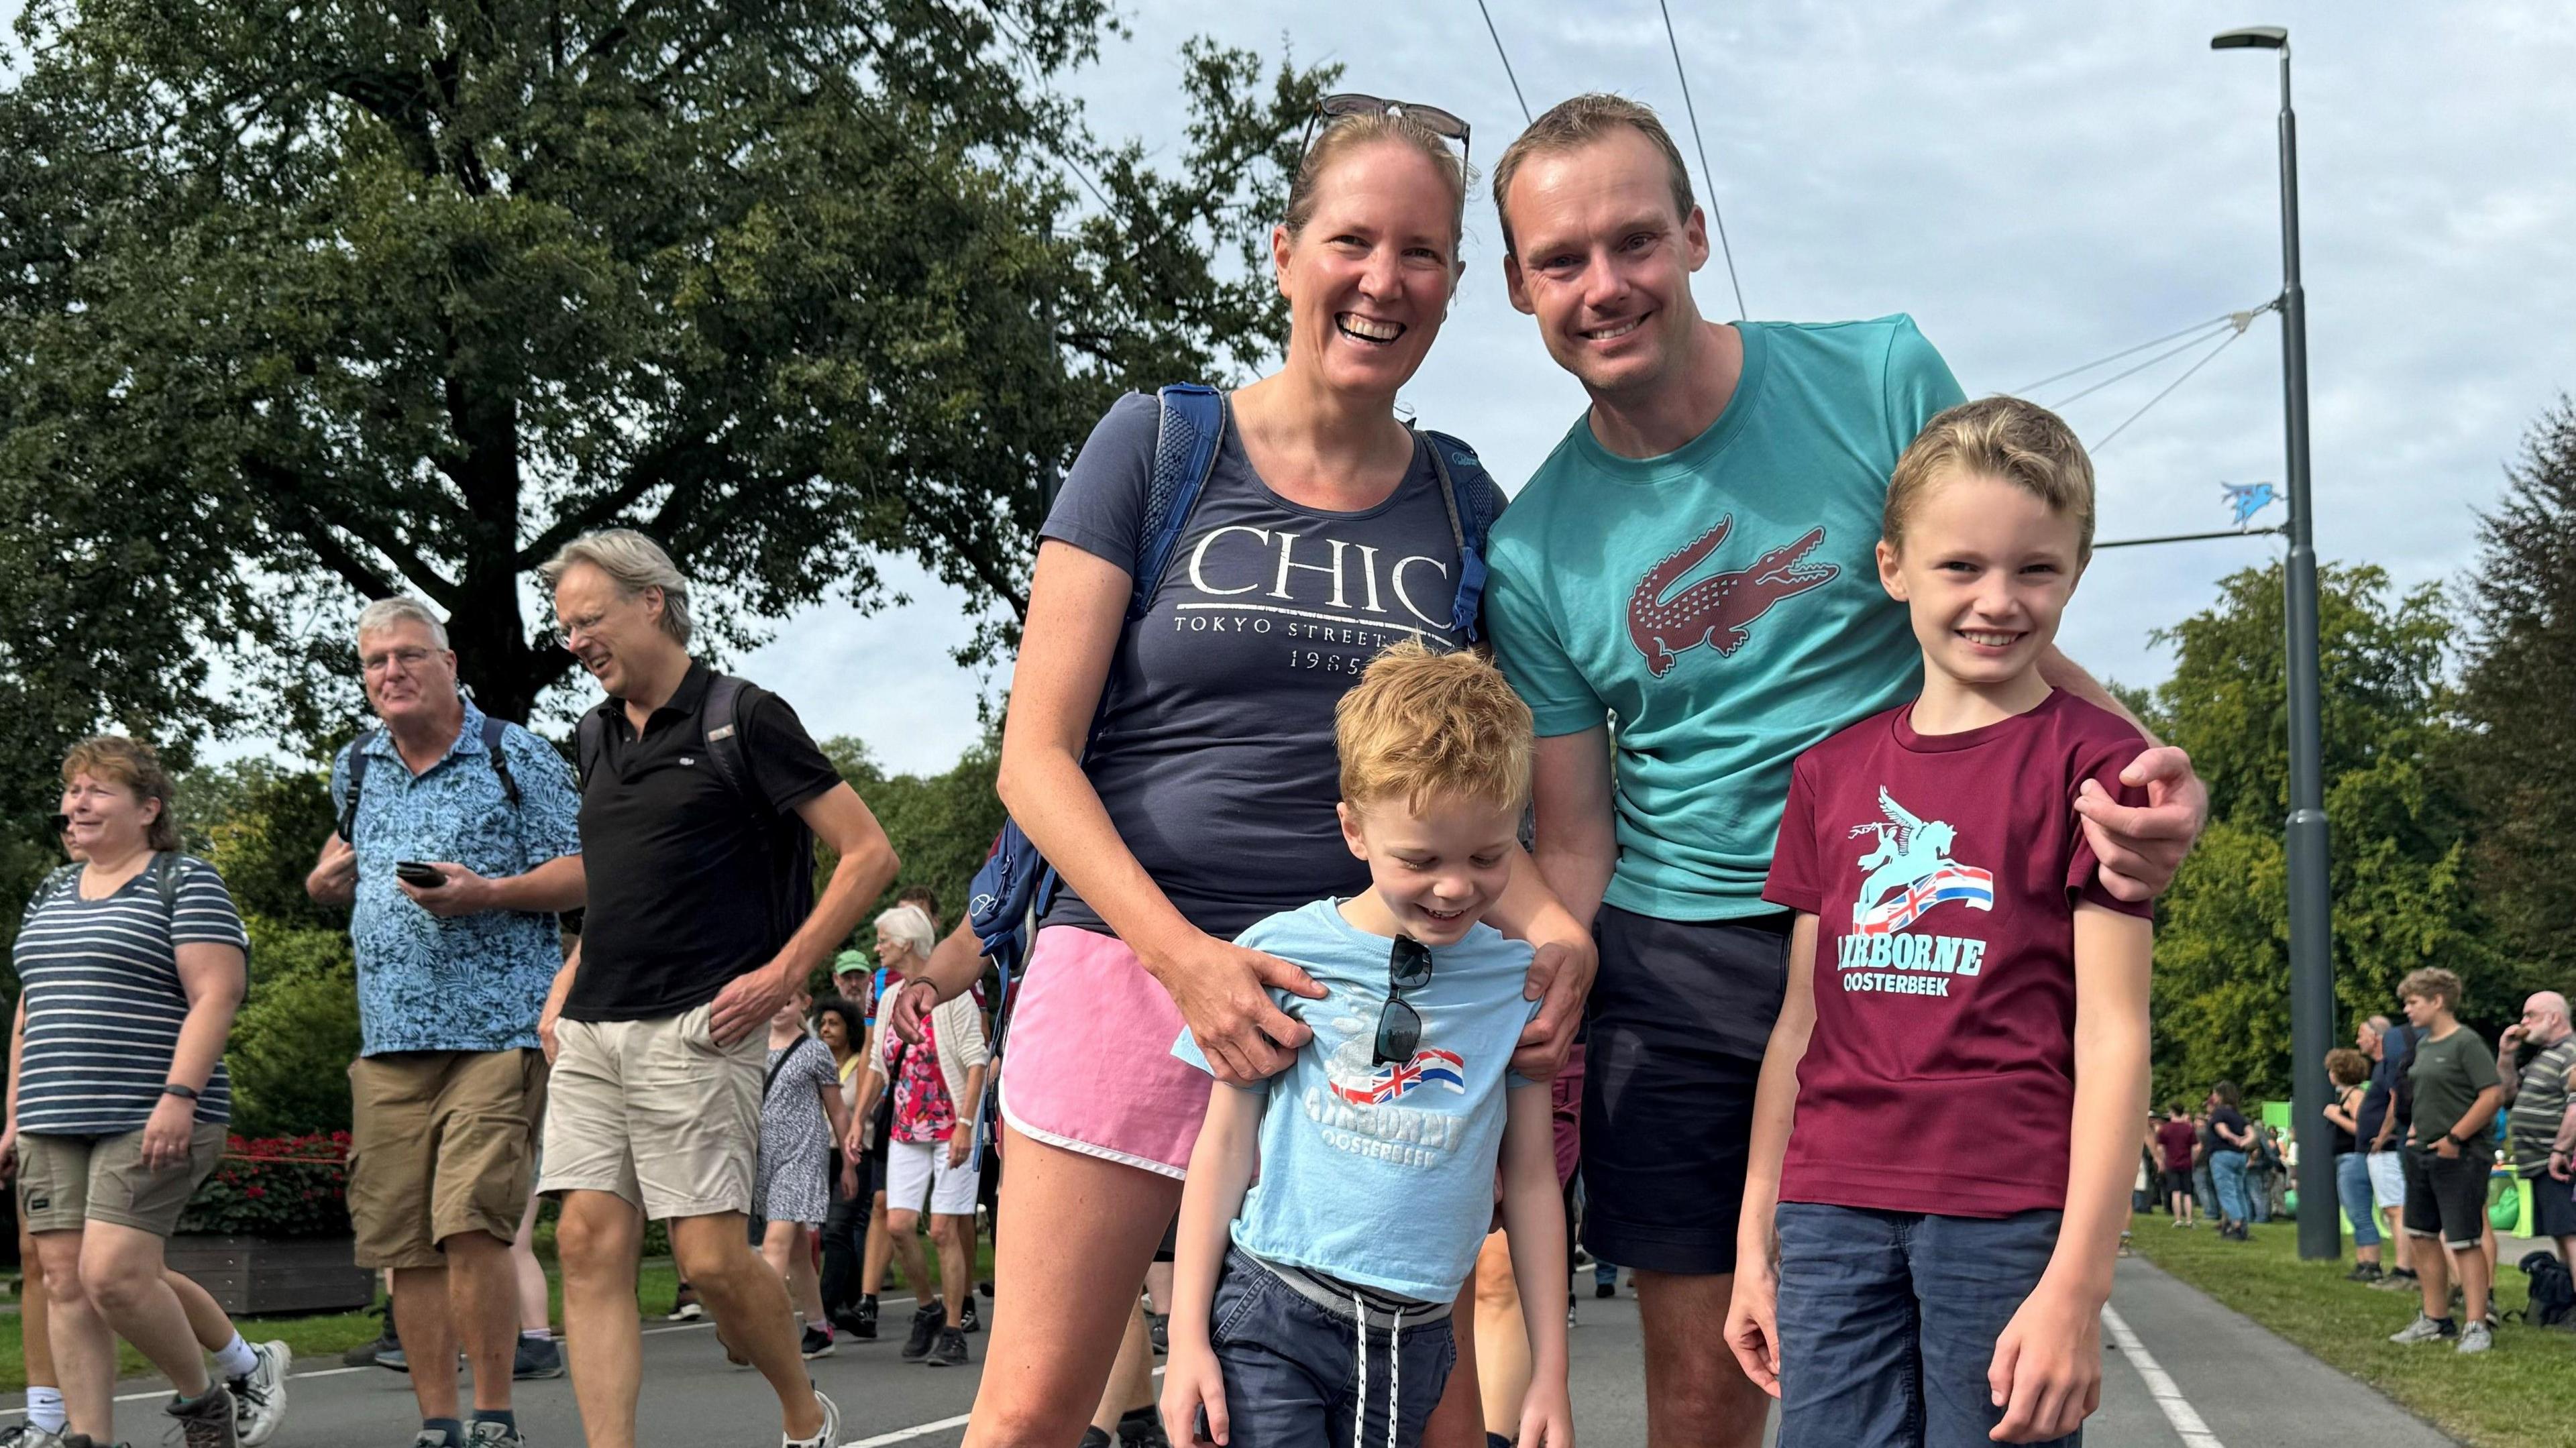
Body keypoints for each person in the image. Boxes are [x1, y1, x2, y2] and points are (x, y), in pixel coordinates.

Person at [1477, 95, 2206, 1447]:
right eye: (1561, 259)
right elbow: (1573, 834)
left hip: (1921, 918)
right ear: (1519, 283)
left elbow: (1996, 602)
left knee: (1971, 1377)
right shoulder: (1535, 552)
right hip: (1684, 952)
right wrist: (1546, 959)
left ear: (1697, 234)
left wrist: (2151, 769)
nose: (1605, 284)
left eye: (1636, 239)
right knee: (1713, 1383)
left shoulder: (1877, 375)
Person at [953, 97, 1597, 1448]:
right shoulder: (1158, 444)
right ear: (1284, 251)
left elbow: (1475, 803)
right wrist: (1188, 956)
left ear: (1455, 287)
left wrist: (1552, 934)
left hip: (1367, 1006)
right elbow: (1034, 757)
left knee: (1431, 1425)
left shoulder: (1466, 505)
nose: (1384, 279)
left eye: (1420, 252)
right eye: (1352, 240)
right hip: (1134, 966)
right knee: (1028, 1411)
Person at [1722, 396, 2154, 1447]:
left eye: (2036, 569)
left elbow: (2114, 1032)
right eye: (1961, 566)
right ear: (1893, 566)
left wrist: (2077, 1289)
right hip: (1830, 1211)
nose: (1997, 600)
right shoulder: (1831, 774)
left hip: (2006, 1214)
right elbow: (1800, 1027)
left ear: (2078, 572)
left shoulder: (2096, 765)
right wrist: (1753, 1240)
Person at [534, 528, 898, 1448]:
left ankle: (804, 1414)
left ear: (652, 600)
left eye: (589, 617)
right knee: (586, 1239)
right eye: (564, 626)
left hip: (698, 1018)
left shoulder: (744, 715)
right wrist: (567, 974)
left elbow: (869, 853)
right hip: (592, 1023)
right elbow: (619, 874)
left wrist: (785, 969)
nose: (574, 640)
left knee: (707, 1255)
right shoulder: (592, 733)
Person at [1159, 643, 1573, 1448]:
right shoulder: (1282, 952)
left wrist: (1550, 1366)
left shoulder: (1518, 983)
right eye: (1420, 859)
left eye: (1489, 856)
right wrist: (1185, 1341)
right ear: (1354, 828)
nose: (1455, 887)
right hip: (1271, 1307)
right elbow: (1222, 1142)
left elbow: (1529, 1177)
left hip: (1413, 1338)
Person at [303, 596, 586, 1448]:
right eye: (376, 661)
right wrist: (326, 887)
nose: (391, 671)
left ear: (450, 664)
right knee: (403, 1241)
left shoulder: (514, 755)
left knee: (470, 1220)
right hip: (388, 1039)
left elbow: (588, 871)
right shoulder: (355, 767)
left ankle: (494, 1415)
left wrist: (489, 892)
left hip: (499, 1030)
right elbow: (341, 860)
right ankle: (439, 1425)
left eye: (409, 655)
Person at [7, 818, 291, 1448]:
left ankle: (204, 1400)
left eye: (97, 788)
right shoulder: (52, 889)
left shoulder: (182, 880)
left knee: (114, 1274)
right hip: (52, 1111)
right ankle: (89, 1438)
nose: (76, 803)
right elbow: (34, 1004)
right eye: (72, 790)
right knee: (66, 1279)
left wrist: (179, 1095)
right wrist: (13, 1114)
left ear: (148, 807)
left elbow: (219, 992)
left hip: (147, 1107)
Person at [855, 904, 985, 1367]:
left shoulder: (955, 994)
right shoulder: (891, 998)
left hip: (954, 1126)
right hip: (906, 1127)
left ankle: (953, 1328)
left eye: (884, 939)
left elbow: (977, 1060)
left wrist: (968, 1125)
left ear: (908, 943)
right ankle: (927, 1306)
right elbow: (876, 1066)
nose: (878, 947)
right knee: (897, 1224)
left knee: (944, 1230)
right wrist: (857, 1120)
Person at [2385, 967, 2506, 1355]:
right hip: (2423, 1153)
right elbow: (2424, 1095)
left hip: (2463, 1155)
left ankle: (2476, 1324)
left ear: (2438, 1001)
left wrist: (2456, 1137)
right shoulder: (2424, 1046)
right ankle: (2435, 1318)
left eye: (2413, 1002)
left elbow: (2492, 1096)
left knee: (2464, 1239)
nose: (2407, 1009)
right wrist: (2419, 1131)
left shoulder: (2466, 1043)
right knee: (2420, 1234)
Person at [756, 985, 855, 1360]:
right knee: (798, 1252)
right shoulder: (754, 1046)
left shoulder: (815, 1051)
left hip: (803, 1155)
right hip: (766, 1157)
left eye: (788, 1000)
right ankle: (818, 1328)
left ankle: (762, 1330)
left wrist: (848, 1161)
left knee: (775, 1242)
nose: (780, 1008)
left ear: (803, 1004)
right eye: (775, 1000)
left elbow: (838, 1110)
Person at [810, 988, 875, 1333]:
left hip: (857, 1155)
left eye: (834, 1023)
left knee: (838, 1228)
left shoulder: (861, 1068)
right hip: (824, 1156)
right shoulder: (818, 1066)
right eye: (822, 1023)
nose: (826, 1029)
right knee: (834, 1231)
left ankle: (827, 1305)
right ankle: (851, 1304)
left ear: (849, 1028)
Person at [2499, 991, 2576, 1268]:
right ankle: (2567, 1306)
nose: (2524, 1022)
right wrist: (2506, 1055)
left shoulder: (2571, 1052)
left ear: (2554, 1018)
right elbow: (2507, 1093)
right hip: (2541, 1162)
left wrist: (2560, 1149)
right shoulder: (2545, 1055)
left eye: (2530, 1015)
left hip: (2558, 1163)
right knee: (2562, 1235)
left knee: (2571, 1236)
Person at [2355, 1015, 2417, 1291]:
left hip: (2388, 1149)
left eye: (2361, 1034)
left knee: (2396, 1209)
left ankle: (2406, 1270)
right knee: (2392, 1209)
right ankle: (2406, 1268)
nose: (2358, 1041)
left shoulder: (2389, 1065)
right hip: (2385, 1149)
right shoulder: (2381, 1067)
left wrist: (2381, 1137)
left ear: (2377, 1037)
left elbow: (2396, 1098)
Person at [2321, 1048, 2385, 1280]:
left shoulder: (2354, 1097)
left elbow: (2362, 1129)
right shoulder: (2349, 1096)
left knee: (2360, 1213)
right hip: (2347, 1159)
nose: (2329, 1075)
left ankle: (2371, 1263)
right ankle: (2363, 1261)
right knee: (2354, 1212)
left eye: (2331, 1070)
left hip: (2353, 1158)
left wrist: (2335, 1116)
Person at [2202, 1084, 2257, 1239]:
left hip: (2222, 1155)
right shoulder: (2238, 1116)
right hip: (2239, 1157)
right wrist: (2244, 1142)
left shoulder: (2219, 1113)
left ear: (2220, 1096)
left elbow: (2222, 1130)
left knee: (2226, 1191)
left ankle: (2236, 1225)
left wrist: (2234, 1139)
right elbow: (2252, 1134)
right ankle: (2244, 1226)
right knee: (2239, 1191)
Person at [2155, 1106, 2198, 1228]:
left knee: (2176, 1192)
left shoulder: (2165, 1129)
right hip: (2186, 1163)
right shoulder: (2189, 1128)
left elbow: (2160, 1148)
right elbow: (2196, 1147)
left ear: (2172, 1113)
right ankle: (2189, 1220)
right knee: (2188, 1193)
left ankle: (2178, 1219)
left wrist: (2162, 1161)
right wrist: (2193, 1159)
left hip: (2172, 1163)